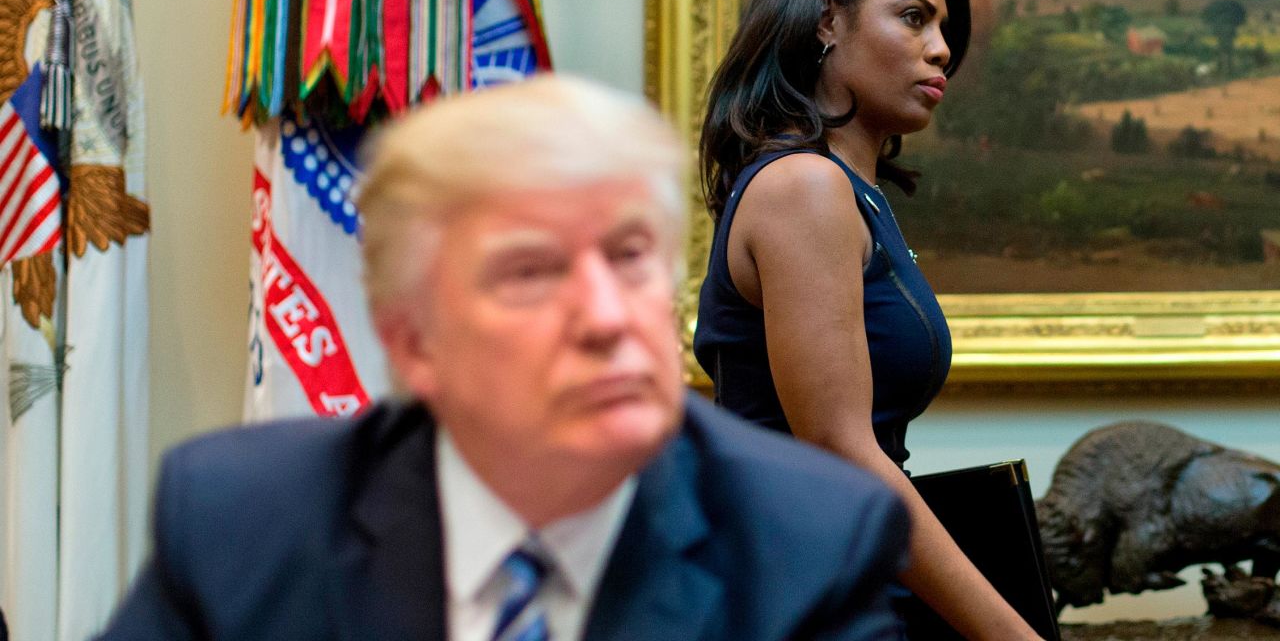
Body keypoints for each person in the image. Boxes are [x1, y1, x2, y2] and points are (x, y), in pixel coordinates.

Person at [97, 76, 911, 640]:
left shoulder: (808, 546)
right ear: (413, 342)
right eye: (531, 272)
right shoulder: (244, 525)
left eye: (629, 257)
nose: (607, 317)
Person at [693, 0, 1042, 640]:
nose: (941, 50)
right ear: (826, 21)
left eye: (944, 29)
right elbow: (842, 451)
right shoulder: (804, 187)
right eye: (914, 18)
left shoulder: (851, 192)